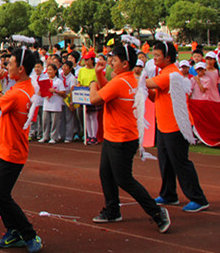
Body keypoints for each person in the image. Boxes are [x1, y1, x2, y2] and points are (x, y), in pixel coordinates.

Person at [89, 45, 171, 232]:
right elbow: (108, 89)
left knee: (124, 179)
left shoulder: (120, 82)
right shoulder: (130, 79)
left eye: (114, 60)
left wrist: (93, 83)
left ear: (125, 63)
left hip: (120, 138)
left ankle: (157, 212)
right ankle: (112, 210)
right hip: (118, 136)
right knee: (106, 174)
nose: (111, 62)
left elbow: (95, 99)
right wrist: (99, 74)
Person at [0, 48, 43, 253]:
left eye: (10, 64)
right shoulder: (25, 88)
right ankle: (13, 230)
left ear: (21, 68)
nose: (6, 67)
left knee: (2, 195)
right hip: (3, 147)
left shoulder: (18, 93)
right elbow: (0, 100)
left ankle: (29, 234)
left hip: (11, 151)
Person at [145, 40, 209, 212]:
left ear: (167, 57)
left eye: (157, 55)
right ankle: (168, 194)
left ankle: (198, 198)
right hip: (164, 125)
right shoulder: (164, 73)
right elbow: (154, 97)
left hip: (176, 126)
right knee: (165, 162)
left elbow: (147, 83)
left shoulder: (171, 74)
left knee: (180, 162)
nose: (154, 58)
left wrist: (136, 77)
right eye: (153, 55)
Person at [38, 64, 65, 144]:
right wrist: (41, 93)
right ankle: (45, 136)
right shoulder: (45, 81)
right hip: (47, 103)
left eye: (50, 70)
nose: (49, 72)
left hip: (56, 104)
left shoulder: (59, 81)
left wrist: (55, 91)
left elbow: (63, 93)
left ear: (55, 71)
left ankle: (53, 137)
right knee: (45, 121)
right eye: (48, 70)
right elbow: (41, 91)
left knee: (54, 122)